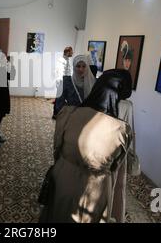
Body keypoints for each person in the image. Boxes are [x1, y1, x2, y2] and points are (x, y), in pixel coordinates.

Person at [40, 69, 133, 223]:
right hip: (95, 188)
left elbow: (57, 148)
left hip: (62, 176)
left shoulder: (68, 113)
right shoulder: (121, 131)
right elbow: (116, 166)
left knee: (57, 214)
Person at [53, 47, 74, 118]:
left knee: (62, 98)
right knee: (60, 98)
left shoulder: (67, 59)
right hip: (63, 80)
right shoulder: (62, 60)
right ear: (67, 52)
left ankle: (57, 114)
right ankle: (57, 114)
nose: (72, 53)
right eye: (71, 52)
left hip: (66, 80)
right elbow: (60, 72)